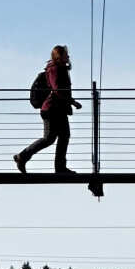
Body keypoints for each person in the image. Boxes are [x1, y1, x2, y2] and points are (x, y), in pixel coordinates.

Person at [14, 45, 82, 176]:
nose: (68, 56)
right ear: (59, 56)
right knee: (49, 138)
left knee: (63, 136)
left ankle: (60, 168)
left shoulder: (60, 69)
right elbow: (57, 89)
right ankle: (22, 157)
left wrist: (70, 101)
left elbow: (61, 90)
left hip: (58, 109)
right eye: (65, 54)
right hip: (52, 109)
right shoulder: (55, 69)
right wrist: (72, 101)